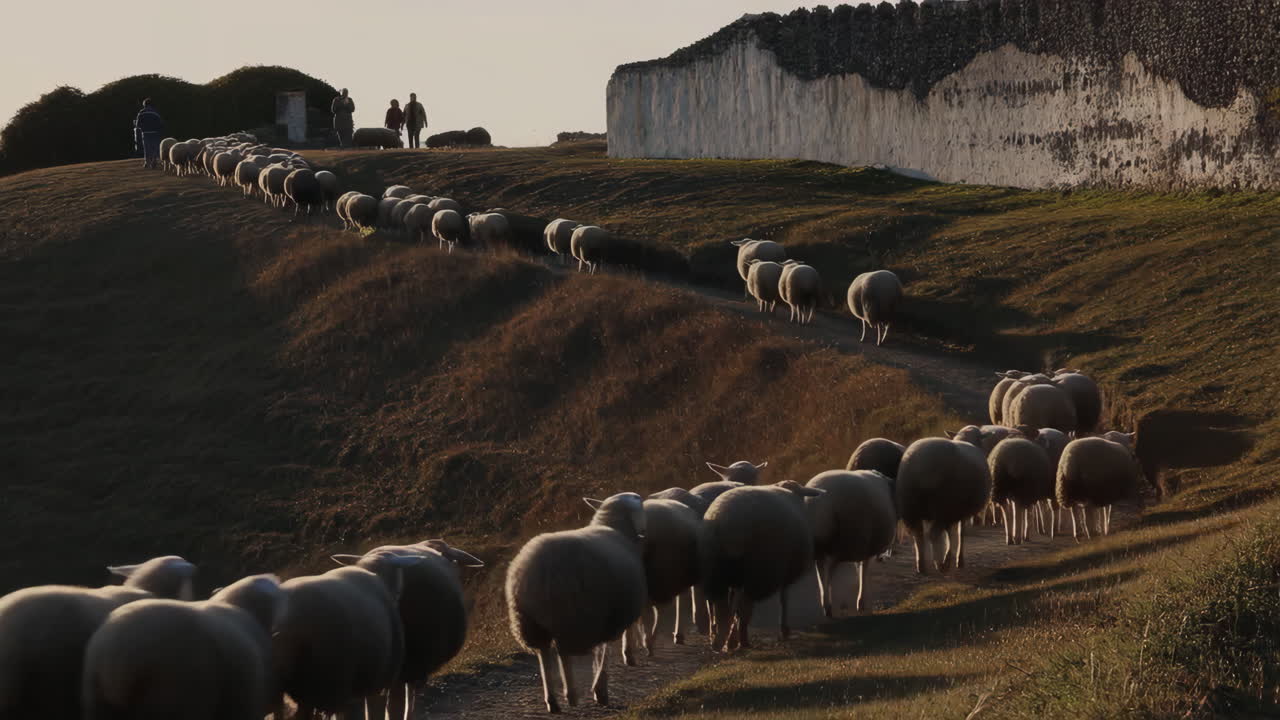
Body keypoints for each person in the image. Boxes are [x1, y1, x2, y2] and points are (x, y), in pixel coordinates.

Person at [133, 99, 165, 169]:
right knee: (155, 147)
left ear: (144, 104)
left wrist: (142, 127)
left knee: (147, 148)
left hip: (145, 133)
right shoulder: (155, 112)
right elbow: (161, 123)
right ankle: (154, 161)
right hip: (155, 132)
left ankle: (147, 163)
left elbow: (138, 125)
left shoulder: (141, 112)